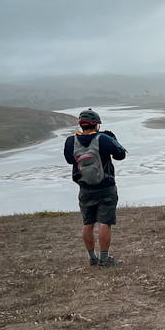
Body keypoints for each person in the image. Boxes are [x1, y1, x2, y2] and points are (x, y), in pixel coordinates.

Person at [63, 108, 127, 267]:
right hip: (106, 186)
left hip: (84, 187)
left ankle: (92, 258)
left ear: (81, 124)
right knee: (105, 222)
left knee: (88, 223)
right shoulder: (103, 138)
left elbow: (70, 160)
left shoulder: (71, 141)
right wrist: (113, 139)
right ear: (96, 124)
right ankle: (104, 259)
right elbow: (120, 155)